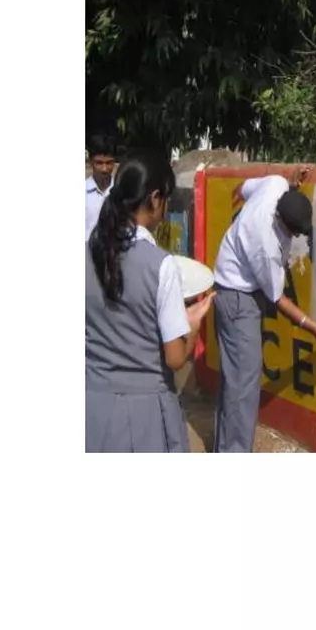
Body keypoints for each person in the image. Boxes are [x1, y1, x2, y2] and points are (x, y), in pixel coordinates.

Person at [86, 152, 214, 452]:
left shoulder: (87, 253)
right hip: (142, 411)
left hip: (91, 403)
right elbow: (175, 358)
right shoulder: (161, 265)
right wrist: (192, 322)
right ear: (155, 199)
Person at [211, 172, 316, 453]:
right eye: (293, 232)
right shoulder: (265, 245)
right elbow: (278, 299)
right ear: (281, 221)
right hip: (237, 297)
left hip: (232, 282)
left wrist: (292, 183)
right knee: (243, 387)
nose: (295, 237)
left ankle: (224, 449)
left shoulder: (276, 184)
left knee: (234, 381)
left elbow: (241, 189)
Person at [84, 136, 117, 239]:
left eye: (109, 163)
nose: (104, 169)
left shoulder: (121, 192)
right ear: (90, 161)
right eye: (99, 163)